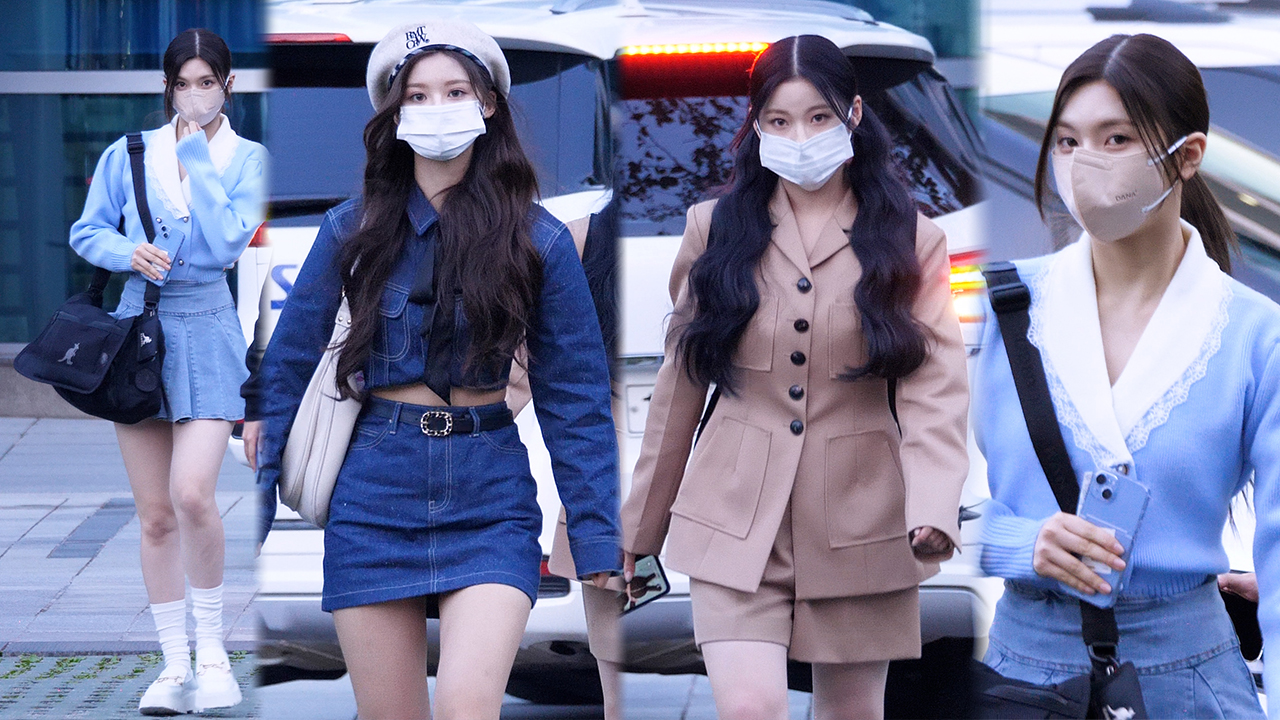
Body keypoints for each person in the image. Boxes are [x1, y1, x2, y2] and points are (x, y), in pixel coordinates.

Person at [254, 20, 620, 720]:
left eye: (455, 91)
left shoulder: (538, 240)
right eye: (417, 96)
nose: (436, 108)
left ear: (488, 104)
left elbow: (575, 401)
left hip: (490, 495)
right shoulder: (350, 230)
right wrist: (255, 515)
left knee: (465, 707)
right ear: (394, 116)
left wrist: (598, 536)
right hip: (373, 492)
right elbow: (285, 372)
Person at [620, 35, 969, 720]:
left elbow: (935, 388)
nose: (799, 138)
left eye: (817, 118)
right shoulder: (715, 229)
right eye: (778, 121)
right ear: (756, 126)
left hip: (863, 515)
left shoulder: (911, 238)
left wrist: (934, 505)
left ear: (854, 114)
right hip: (733, 511)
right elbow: (678, 390)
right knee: (750, 708)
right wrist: (639, 532)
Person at [973, 33, 1278, 718]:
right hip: (1023, 678)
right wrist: (1020, 542)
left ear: (1188, 155)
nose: (1084, 163)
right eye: (1067, 141)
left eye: (1116, 139)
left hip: (1192, 678)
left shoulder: (1257, 334)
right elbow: (909, 500)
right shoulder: (998, 307)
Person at [67, 28, 263, 715]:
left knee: (192, 494)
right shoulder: (128, 152)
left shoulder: (247, 158)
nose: (195, 96)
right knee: (154, 515)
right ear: (167, 87)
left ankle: (213, 656)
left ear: (228, 85)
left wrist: (196, 155)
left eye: (208, 83)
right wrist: (127, 252)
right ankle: (173, 665)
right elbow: (87, 230)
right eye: (184, 84)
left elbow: (227, 241)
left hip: (208, 327)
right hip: (138, 328)